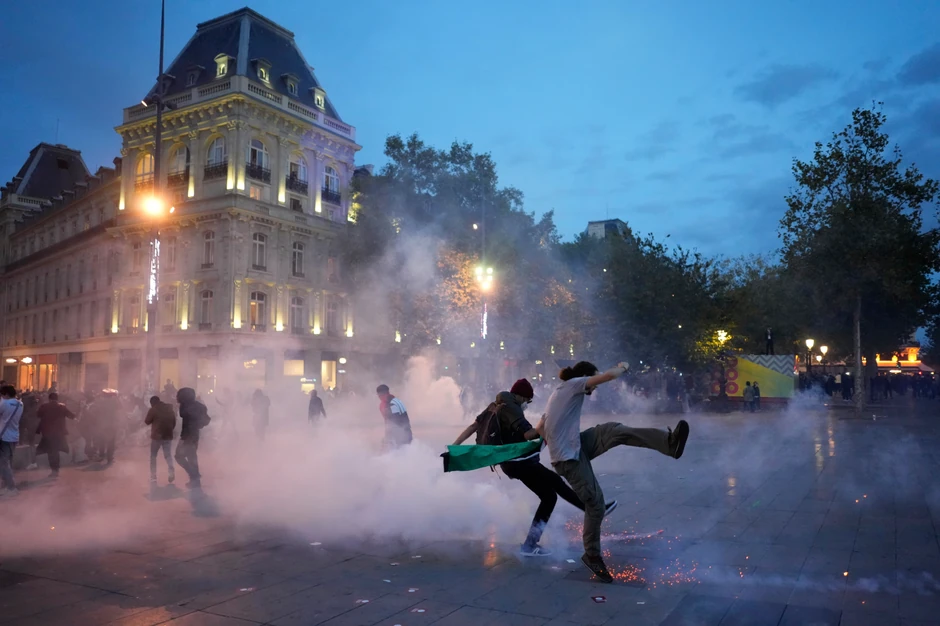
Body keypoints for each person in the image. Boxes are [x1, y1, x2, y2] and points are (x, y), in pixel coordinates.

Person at [538, 362, 689, 583]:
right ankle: (592, 555)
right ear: (585, 377)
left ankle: (670, 444)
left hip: (576, 446)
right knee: (596, 504)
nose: (593, 390)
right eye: (593, 382)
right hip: (568, 459)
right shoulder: (574, 384)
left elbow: (540, 428)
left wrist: (536, 439)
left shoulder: (559, 392)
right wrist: (623, 366)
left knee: (613, 431)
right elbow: (609, 376)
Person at [453, 378, 618, 556]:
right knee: (555, 482)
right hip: (518, 462)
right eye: (528, 400)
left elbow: (473, 426)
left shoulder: (495, 405)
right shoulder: (512, 408)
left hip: (512, 462)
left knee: (549, 496)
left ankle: (530, 546)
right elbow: (529, 435)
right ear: (521, 396)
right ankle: (594, 510)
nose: (527, 404)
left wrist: (455, 447)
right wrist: (547, 421)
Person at [35, 392, 76, 478]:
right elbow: (71, 416)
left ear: (49, 399)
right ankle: (55, 469)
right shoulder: (62, 406)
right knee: (55, 450)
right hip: (59, 433)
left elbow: (38, 415)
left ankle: (54, 470)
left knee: (51, 451)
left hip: (48, 433)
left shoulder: (44, 406)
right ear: (57, 399)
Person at [175, 387, 209, 489]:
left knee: (179, 456)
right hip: (195, 435)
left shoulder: (184, 406)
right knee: (192, 457)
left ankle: (194, 475)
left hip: (186, 435)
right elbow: (205, 420)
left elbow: (182, 415)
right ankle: (195, 481)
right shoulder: (200, 406)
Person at [145, 395, 176, 484]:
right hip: (168, 435)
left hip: (156, 437)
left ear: (152, 403)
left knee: (153, 456)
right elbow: (174, 422)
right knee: (168, 455)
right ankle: (171, 471)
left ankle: (153, 476)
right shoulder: (170, 409)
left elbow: (147, 421)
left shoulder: (153, 409)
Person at [0, 385, 23, 497]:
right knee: (7, 463)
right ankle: (5, 487)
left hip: (4, 436)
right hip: (14, 436)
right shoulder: (20, 404)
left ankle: (11, 487)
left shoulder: (4, 404)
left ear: (6, 394)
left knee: (3, 464)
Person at [376, 384, 412, 449]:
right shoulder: (396, 400)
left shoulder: (390, 404)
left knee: (397, 451)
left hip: (400, 434)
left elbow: (394, 421)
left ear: (381, 395)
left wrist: (388, 438)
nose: (379, 397)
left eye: (379, 395)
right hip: (407, 432)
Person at [21, 391, 40, 470]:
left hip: (31, 426)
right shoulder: (36, 405)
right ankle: (34, 462)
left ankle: (33, 462)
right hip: (36, 426)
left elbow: (25, 416)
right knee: (33, 444)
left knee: (32, 444)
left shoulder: (26, 405)